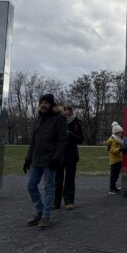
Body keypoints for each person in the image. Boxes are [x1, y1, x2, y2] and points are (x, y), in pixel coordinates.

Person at [22, 94, 67, 229]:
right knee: (31, 186)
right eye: (41, 102)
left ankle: (45, 217)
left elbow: (62, 140)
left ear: (52, 104)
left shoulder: (59, 118)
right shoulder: (38, 120)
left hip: (50, 159)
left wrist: (56, 158)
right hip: (36, 159)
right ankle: (40, 211)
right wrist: (28, 158)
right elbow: (33, 141)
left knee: (49, 188)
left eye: (46, 102)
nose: (43, 105)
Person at [54, 106, 83, 210]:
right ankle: (56, 202)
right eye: (65, 115)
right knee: (58, 180)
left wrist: (71, 135)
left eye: (68, 115)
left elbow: (80, 139)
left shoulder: (77, 123)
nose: (67, 117)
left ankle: (69, 201)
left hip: (71, 155)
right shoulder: (58, 122)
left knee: (69, 179)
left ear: (72, 114)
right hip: (59, 154)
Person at [106, 122, 124, 195]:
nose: (121, 134)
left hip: (118, 160)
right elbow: (112, 150)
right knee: (114, 175)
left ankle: (114, 187)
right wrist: (120, 149)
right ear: (116, 132)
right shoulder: (113, 141)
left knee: (116, 175)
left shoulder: (117, 140)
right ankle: (112, 189)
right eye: (120, 133)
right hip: (114, 161)